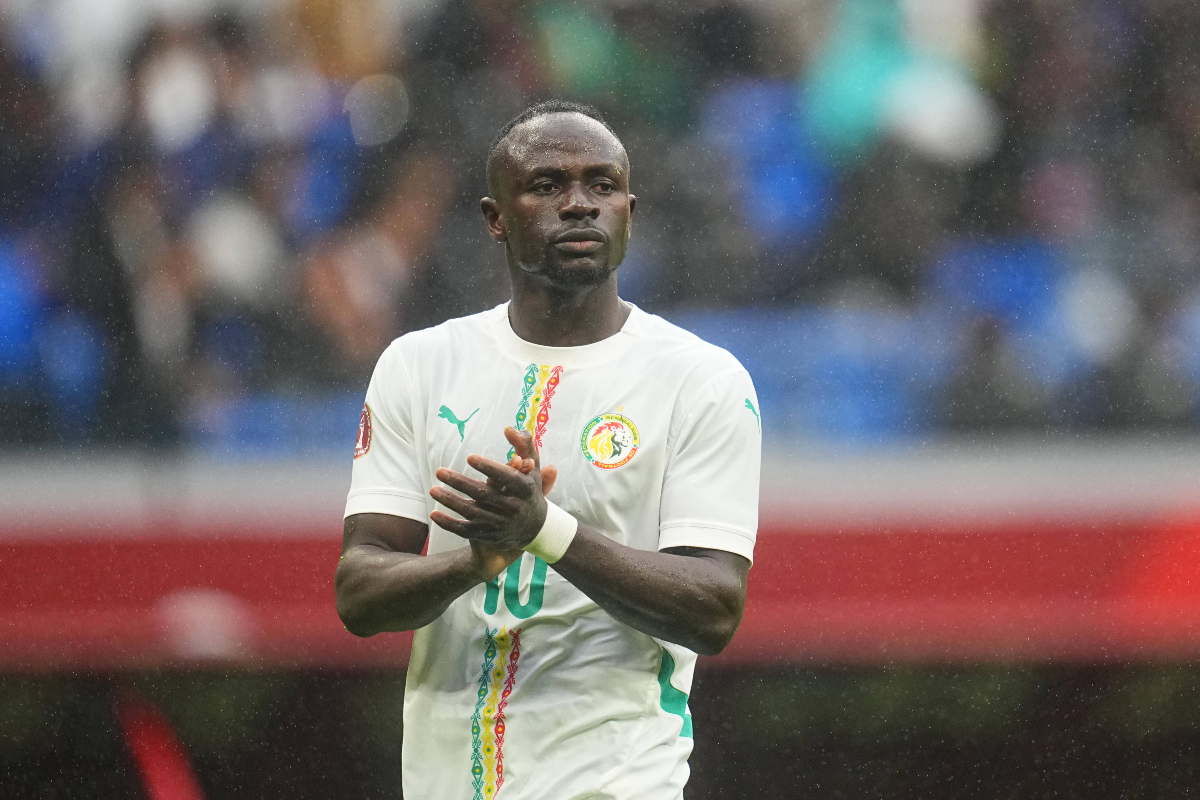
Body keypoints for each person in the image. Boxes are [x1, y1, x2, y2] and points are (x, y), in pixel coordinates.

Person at [336, 100, 761, 800]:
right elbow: (358, 592)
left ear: (631, 208)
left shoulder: (699, 380)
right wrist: (471, 564)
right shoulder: (418, 365)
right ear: (494, 217)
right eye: (546, 185)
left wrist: (544, 531)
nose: (579, 205)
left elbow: (714, 608)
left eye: (602, 185)